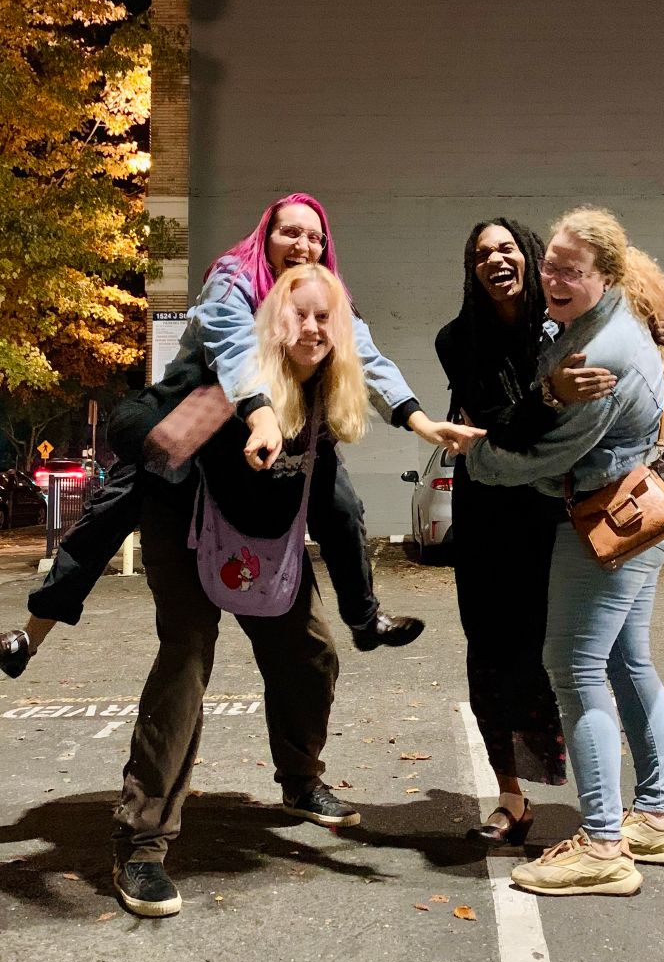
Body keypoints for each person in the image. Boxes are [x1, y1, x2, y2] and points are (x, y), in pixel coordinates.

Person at [0, 193, 478, 678]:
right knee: (117, 504)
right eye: (290, 232)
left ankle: (365, 618)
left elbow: (369, 361)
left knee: (342, 507)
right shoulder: (233, 278)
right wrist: (261, 415)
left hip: (283, 425)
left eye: (315, 236)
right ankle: (30, 634)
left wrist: (421, 421)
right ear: (265, 236)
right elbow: (236, 351)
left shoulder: (323, 294)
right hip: (199, 411)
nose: (303, 244)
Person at [109, 263, 381, 917]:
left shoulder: (320, 391)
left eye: (326, 318)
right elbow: (136, 436)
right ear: (272, 323)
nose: (313, 328)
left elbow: (336, 507)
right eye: (300, 315)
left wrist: (364, 609)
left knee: (312, 655)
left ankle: (300, 780)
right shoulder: (226, 383)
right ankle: (141, 841)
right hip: (186, 530)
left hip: (260, 546)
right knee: (186, 660)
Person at [459, 207, 664, 896]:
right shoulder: (596, 320)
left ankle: (603, 846)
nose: (553, 277)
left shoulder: (603, 355)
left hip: (610, 519)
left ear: (608, 276)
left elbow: (543, 454)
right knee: (626, 659)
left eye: (570, 269)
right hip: (642, 507)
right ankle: (655, 816)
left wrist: (478, 461)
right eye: (551, 263)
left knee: (573, 663)